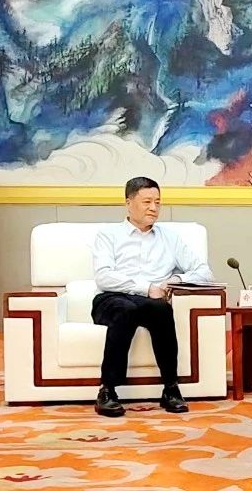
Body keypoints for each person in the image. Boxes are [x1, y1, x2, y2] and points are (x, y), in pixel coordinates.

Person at [90, 176, 214, 417]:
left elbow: (204, 272)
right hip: (112, 297)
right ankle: (108, 390)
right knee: (126, 310)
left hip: (151, 300)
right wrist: (147, 287)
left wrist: (175, 280)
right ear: (129, 203)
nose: (153, 208)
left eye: (158, 202)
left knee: (161, 309)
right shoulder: (108, 235)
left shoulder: (170, 238)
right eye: (147, 202)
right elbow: (104, 277)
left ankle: (171, 388)